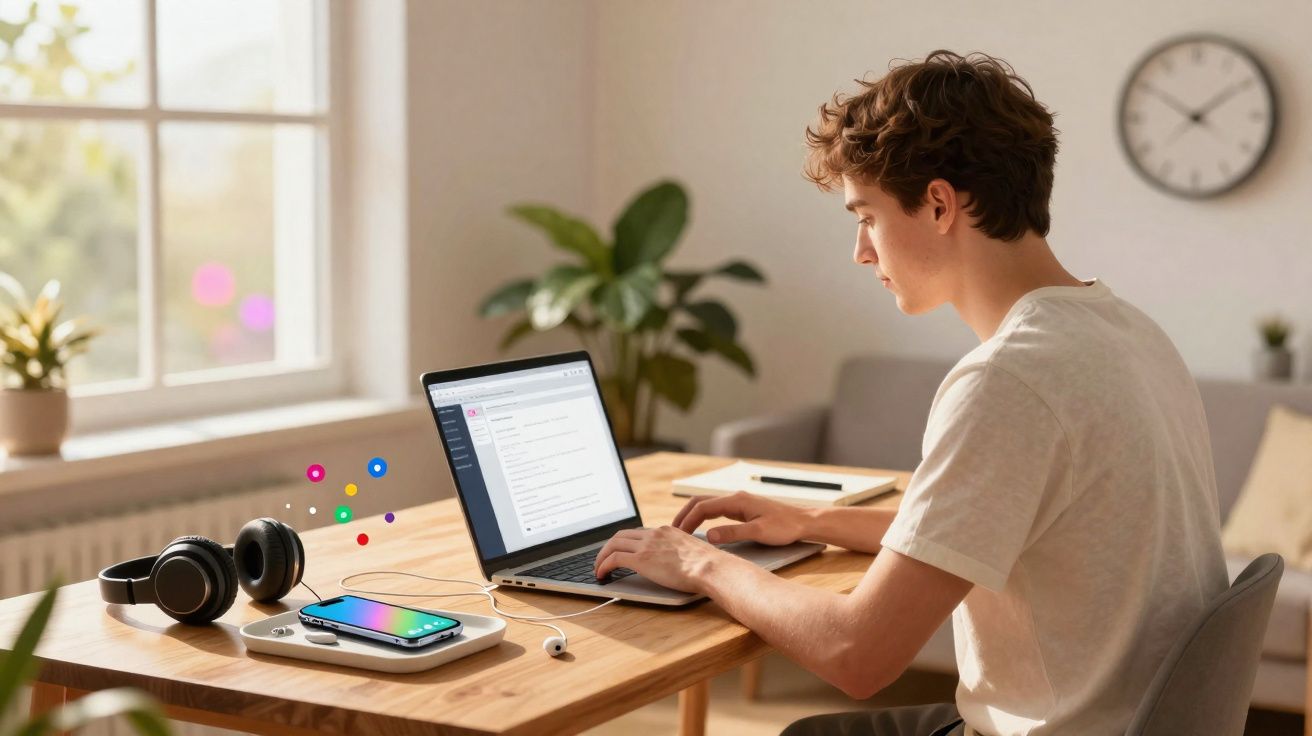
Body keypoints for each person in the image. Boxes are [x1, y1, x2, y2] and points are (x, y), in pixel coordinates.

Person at [593, 49, 1228, 736]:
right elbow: (988, 529)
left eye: (866, 216)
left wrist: (699, 562)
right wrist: (811, 522)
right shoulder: (1128, 332)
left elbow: (856, 653)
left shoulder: (1009, 380)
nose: (861, 251)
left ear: (939, 204)